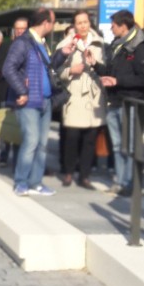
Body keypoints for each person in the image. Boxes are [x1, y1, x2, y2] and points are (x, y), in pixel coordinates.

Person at [93, 10, 144, 197]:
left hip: (131, 103)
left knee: (131, 145)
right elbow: (112, 73)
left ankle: (129, 183)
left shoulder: (139, 46)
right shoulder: (117, 45)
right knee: (118, 145)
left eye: (113, 25)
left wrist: (118, 81)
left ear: (123, 26)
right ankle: (120, 181)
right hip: (115, 101)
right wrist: (95, 65)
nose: (111, 28)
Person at [4, 8, 56, 197]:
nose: (54, 25)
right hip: (29, 101)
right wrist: (22, 90)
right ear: (46, 23)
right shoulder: (23, 42)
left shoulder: (40, 43)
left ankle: (36, 182)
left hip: (45, 100)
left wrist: (61, 55)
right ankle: (21, 182)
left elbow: (43, 69)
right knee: (31, 141)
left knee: (42, 144)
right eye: (53, 22)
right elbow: (8, 68)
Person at [52, 11, 105, 189]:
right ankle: (68, 172)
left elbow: (106, 67)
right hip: (74, 94)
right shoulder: (66, 44)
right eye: (79, 23)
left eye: (85, 22)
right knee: (72, 137)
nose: (83, 26)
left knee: (90, 139)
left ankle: (85, 175)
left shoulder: (100, 43)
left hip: (93, 96)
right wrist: (69, 71)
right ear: (74, 25)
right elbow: (56, 71)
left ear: (90, 23)